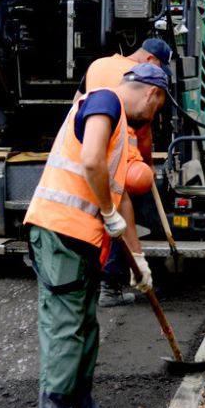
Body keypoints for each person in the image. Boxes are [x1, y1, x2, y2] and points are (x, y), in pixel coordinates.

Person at [25, 63, 168, 408]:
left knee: (85, 327)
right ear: (151, 95)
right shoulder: (104, 101)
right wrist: (106, 211)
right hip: (60, 233)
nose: (154, 114)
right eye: (158, 107)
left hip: (81, 239)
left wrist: (137, 260)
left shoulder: (121, 131)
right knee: (66, 332)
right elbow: (90, 163)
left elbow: (121, 198)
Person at [74, 38, 173, 307]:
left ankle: (93, 280)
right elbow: (144, 130)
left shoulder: (98, 64)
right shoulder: (140, 81)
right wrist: (147, 164)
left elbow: (76, 103)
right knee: (118, 212)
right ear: (152, 61)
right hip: (117, 154)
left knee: (103, 217)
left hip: (87, 148)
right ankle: (111, 283)